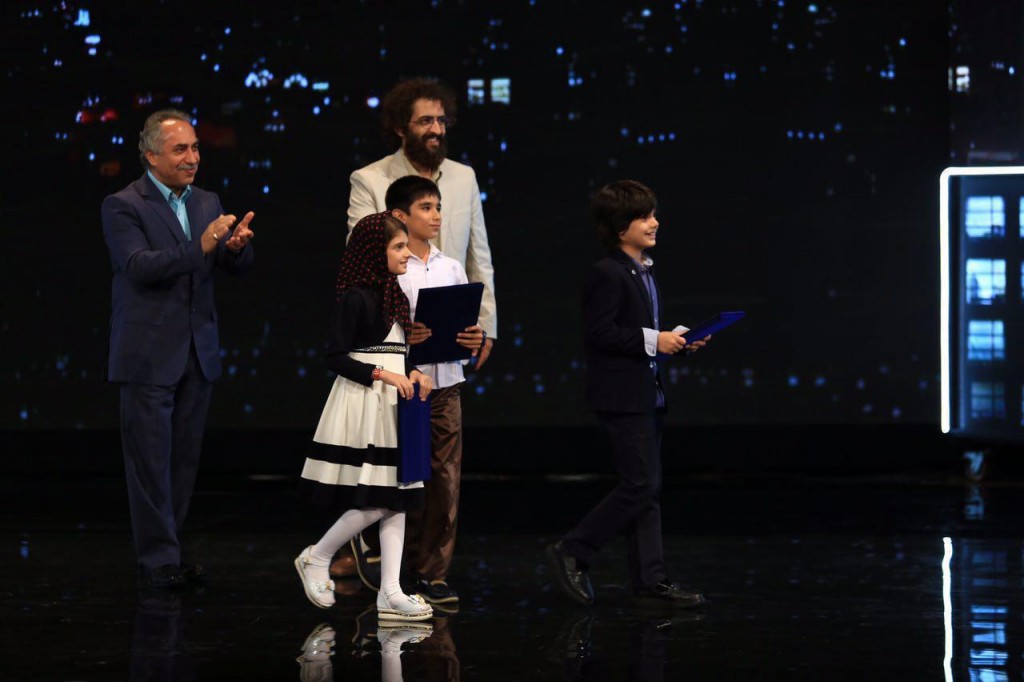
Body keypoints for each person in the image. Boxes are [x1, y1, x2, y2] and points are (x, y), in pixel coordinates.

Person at [340, 76, 499, 586]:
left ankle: (431, 572)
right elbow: (365, 256)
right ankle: (371, 557)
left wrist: (484, 326)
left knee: (444, 473)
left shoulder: (464, 178)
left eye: (441, 120)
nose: (436, 129)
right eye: (425, 121)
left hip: (447, 358)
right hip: (395, 355)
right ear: (400, 127)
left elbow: (478, 254)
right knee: (392, 466)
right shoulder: (372, 178)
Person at [101, 108, 254, 589]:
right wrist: (203, 245)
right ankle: (157, 561)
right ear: (151, 156)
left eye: (195, 148)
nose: (192, 158)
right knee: (149, 464)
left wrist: (235, 249)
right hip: (147, 353)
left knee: (182, 462)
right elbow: (139, 266)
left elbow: (229, 264)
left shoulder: (207, 201)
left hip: (197, 351)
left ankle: (170, 552)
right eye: (180, 149)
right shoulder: (123, 204)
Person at [547, 180, 708, 607]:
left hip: (646, 392)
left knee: (647, 487)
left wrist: (675, 340)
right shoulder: (607, 272)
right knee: (639, 484)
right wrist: (655, 340)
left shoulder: (643, 270)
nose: (654, 223)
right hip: (621, 396)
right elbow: (600, 333)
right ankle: (573, 549)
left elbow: (637, 332)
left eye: (653, 214)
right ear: (620, 227)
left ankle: (650, 581)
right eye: (643, 217)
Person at [294, 212, 434, 622]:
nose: (406, 253)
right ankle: (318, 555)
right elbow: (335, 357)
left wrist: (414, 372)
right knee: (377, 499)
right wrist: (383, 375)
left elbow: (398, 352)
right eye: (398, 246)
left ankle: (390, 591)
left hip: (393, 407)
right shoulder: (355, 297)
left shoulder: (396, 295)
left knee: (398, 499)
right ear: (375, 251)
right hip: (365, 403)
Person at [387, 175, 485, 608]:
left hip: (446, 383)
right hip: (404, 386)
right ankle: (393, 567)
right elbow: (375, 327)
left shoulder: (450, 266)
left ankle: (433, 572)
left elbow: (464, 324)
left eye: (438, 207)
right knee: (404, 477)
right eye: (426, 207)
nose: (436, 215)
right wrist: (405, 335)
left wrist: (473, 338)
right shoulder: (392, 266)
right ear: (400, 215)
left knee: (446, 481)